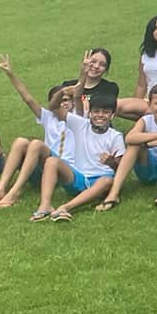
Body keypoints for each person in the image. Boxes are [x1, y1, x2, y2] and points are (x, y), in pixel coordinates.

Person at [0, 59, 72, 211]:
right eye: (59, 100)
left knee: (36, 144)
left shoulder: (78, 117)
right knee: (20, 142)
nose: (63, 103)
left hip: (62, 170)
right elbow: (27, 98)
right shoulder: (48, 116)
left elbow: (81, 97)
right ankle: (0, 190)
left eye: (66, 100)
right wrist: (10, 74)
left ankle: (14, 192)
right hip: (41, 169)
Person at [34, 85, 125, 220]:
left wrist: (111, 162)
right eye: (96, 111)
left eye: (105, 112)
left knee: (107, 181)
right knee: (52, 161)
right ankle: (45, 205)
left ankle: (66, 207)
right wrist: (63, 92)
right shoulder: (81, 124)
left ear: (112, 115)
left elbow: (121, 169)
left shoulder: (115, 136)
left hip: (99, 181)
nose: (100, 115)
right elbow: (53, 107)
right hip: (78, 177)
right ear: (90, 113)